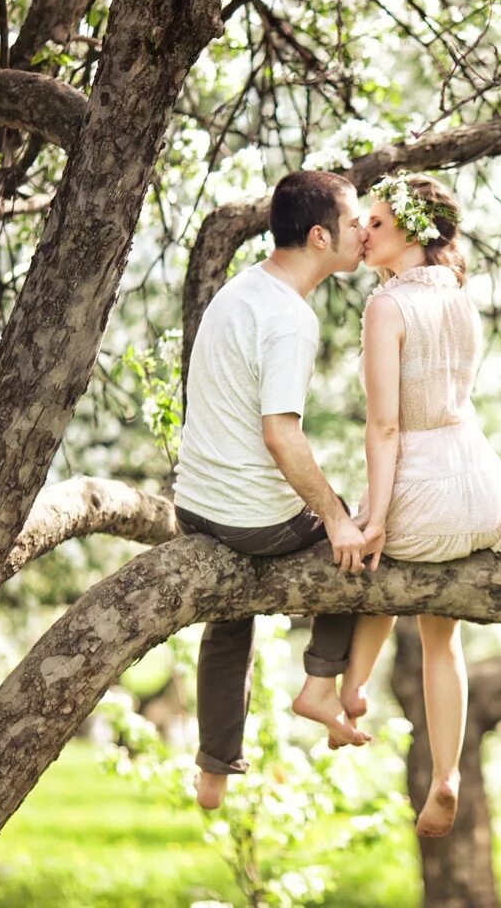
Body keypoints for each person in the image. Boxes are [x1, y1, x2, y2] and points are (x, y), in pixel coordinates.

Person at [322, 172, 501, 838]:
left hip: (422, 481)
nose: (364, 232)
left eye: (376, 223)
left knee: (373, 564)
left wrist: (375, 515)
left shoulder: (387, 307)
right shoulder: (458, 294)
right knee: (443, 637)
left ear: (412, 230)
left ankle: (349, 690)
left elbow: (384, 427)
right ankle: (448, 774)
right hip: (480, 483)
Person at [173, 169, 372, 810]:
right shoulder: (289, 319)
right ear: (319, 236)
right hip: (249, 519)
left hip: (195, 507)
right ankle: (320, 683)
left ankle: (213, 769)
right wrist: (337, 518)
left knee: (230, 626)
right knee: (362, 539)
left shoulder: (243, 289)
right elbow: (281, 436)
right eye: (354, 222)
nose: (365, 231)